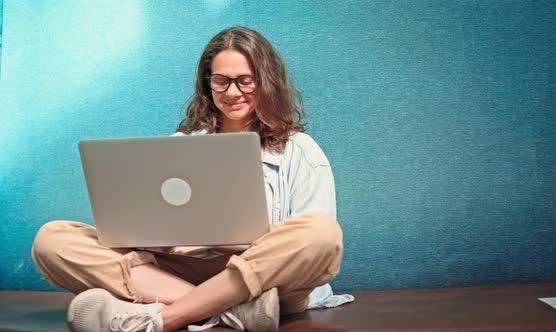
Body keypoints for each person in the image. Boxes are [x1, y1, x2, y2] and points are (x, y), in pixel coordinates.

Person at [31, 26, 353, 332]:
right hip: (176, 270)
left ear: (267, 82)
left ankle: (162, 317)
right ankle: (230, 309)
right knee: (53, 240)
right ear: (207, 83)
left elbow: (312, 252)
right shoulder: (182, 143)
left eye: (245, 81)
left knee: (321, 233)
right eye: (221, 81)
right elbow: (145, 232)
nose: (232, 92)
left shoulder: (301, 152)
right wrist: (151, 235)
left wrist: (257, 251)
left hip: (258, 275)